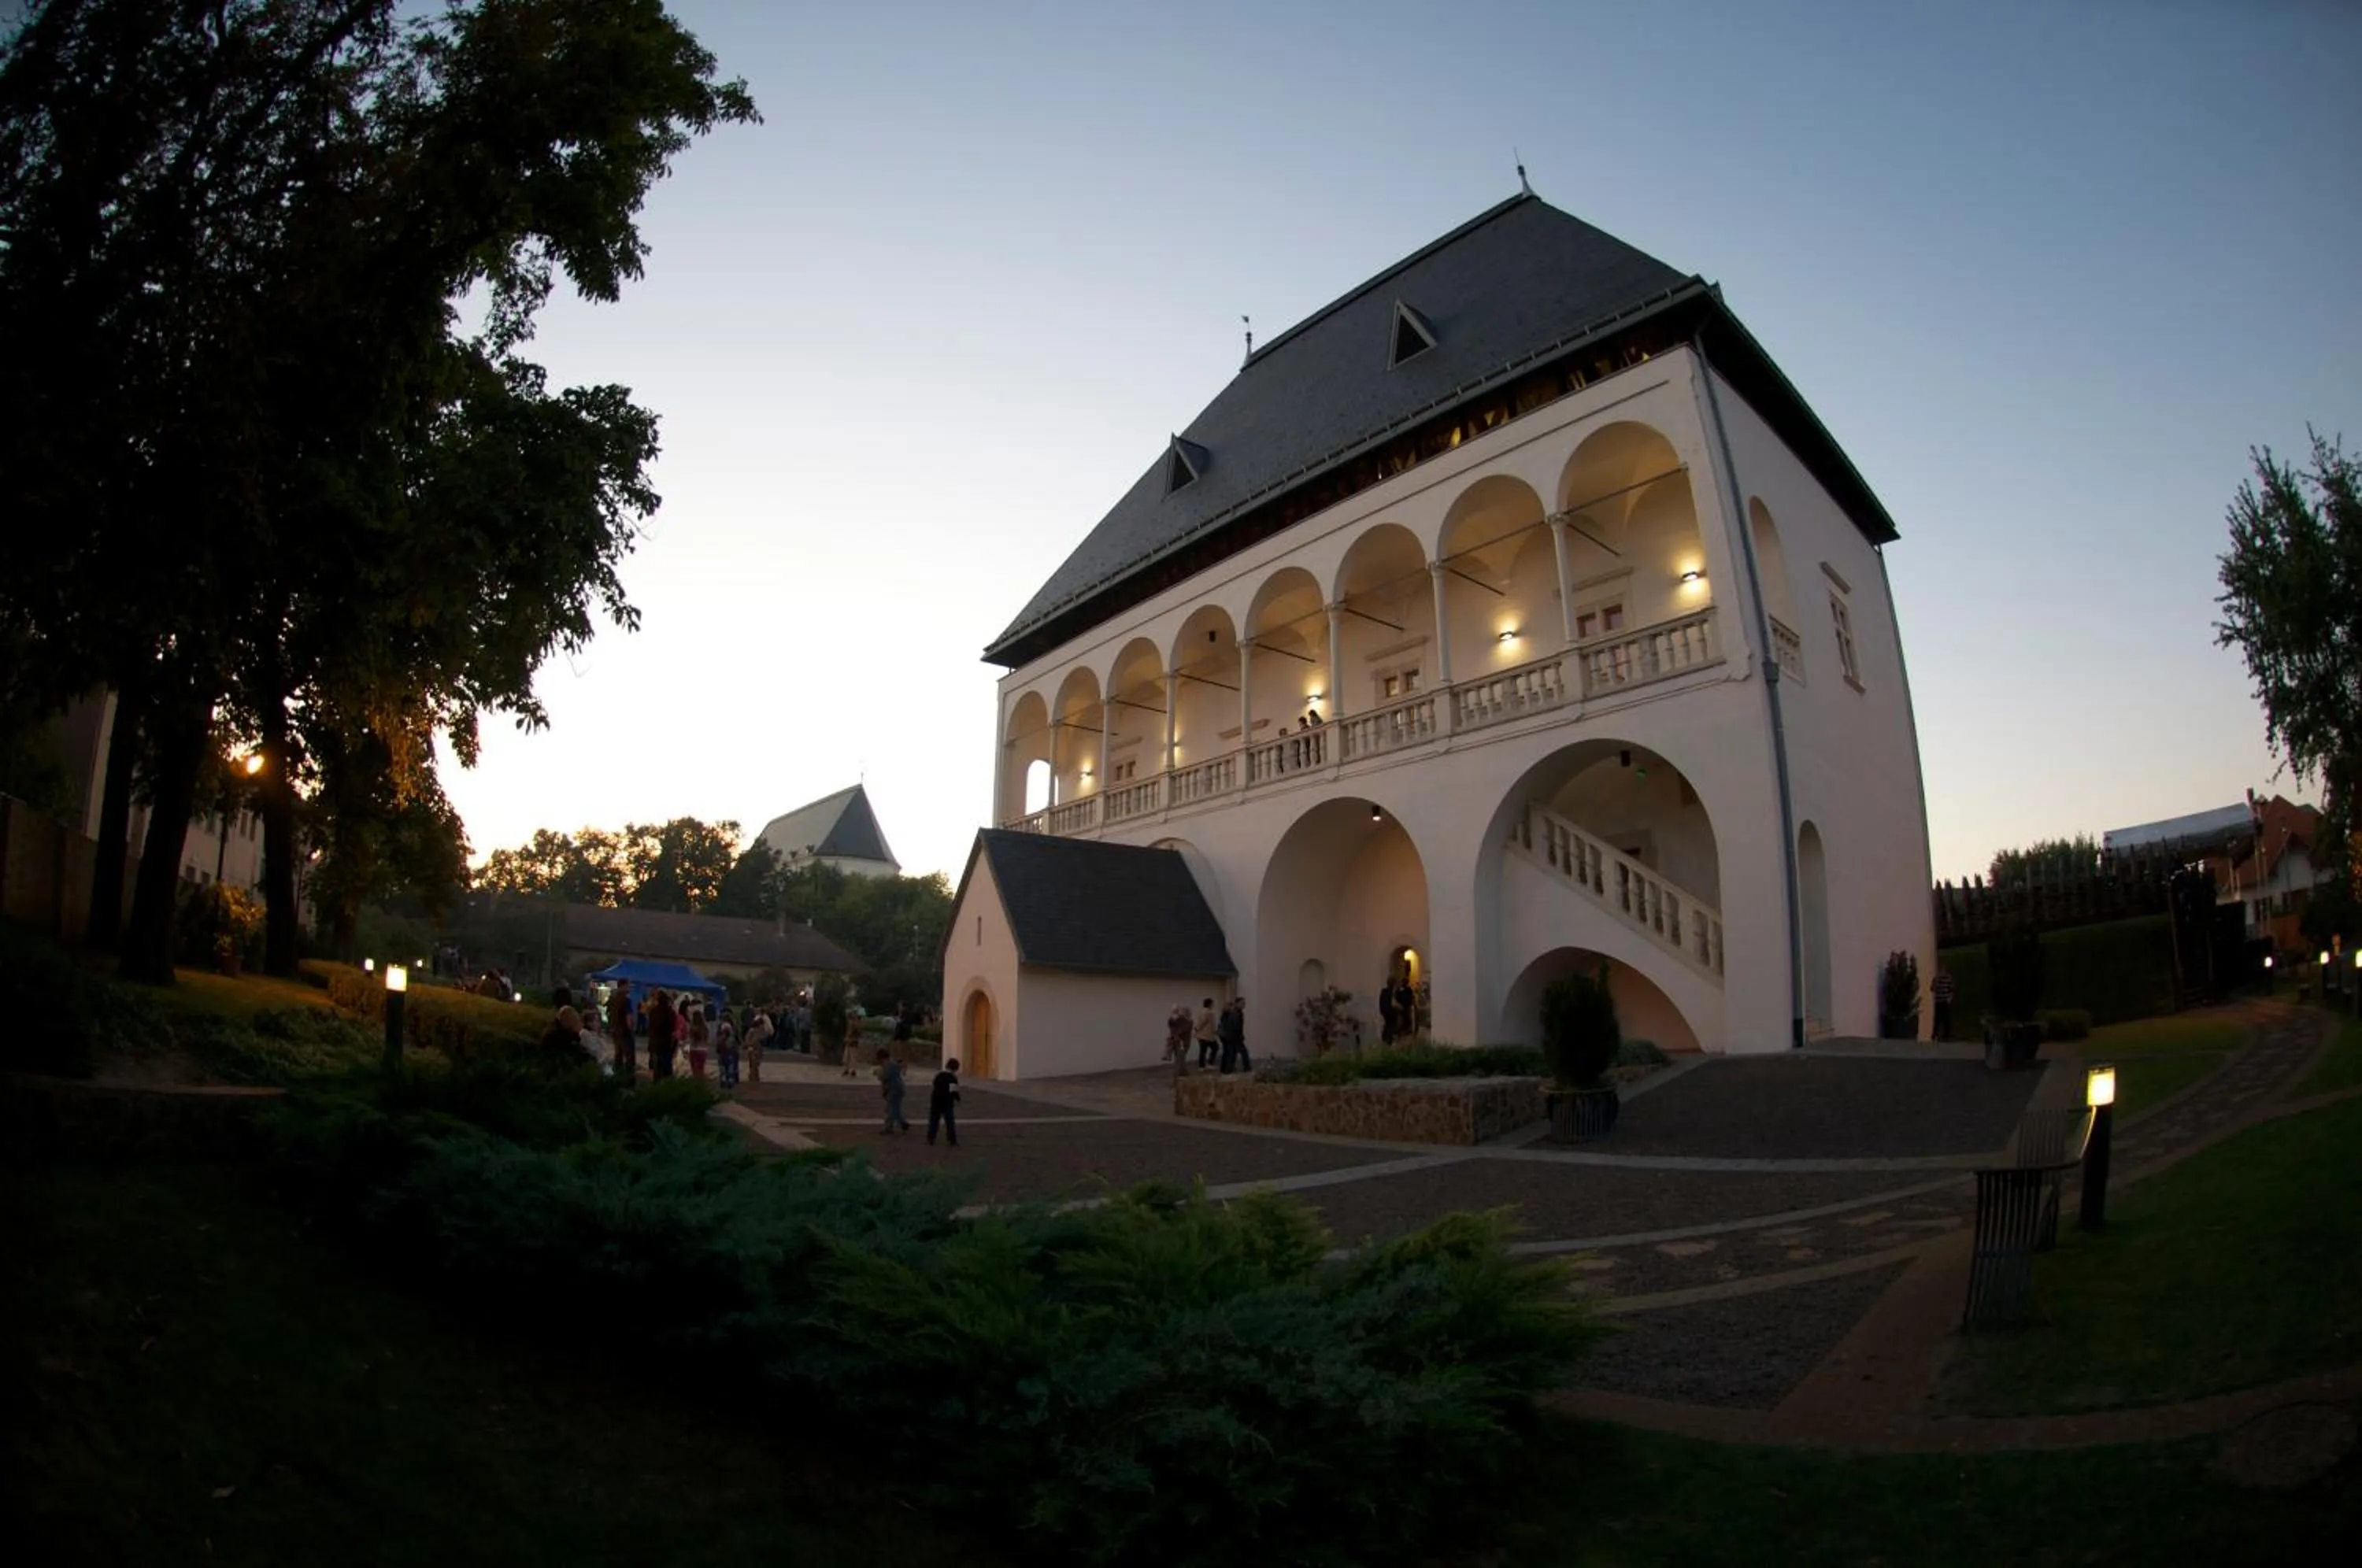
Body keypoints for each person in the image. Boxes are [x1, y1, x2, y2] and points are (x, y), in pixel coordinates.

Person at [605, 982, 637, 1082]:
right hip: (625, 1031)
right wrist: (631, 1028)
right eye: (628, 986)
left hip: (615, 1030)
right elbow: (628, 1016)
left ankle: (617, 1078)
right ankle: (629, 1081)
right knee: (629, 1057)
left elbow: (609, 1013)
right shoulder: (626, 1000)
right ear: (623, 986)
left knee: (618, 1055)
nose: (629, 988)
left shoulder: (612, 999)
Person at [927, 1057, 961, 1147]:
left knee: (934, 1120)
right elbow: (954, 1091)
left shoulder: (939, 1075)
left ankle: (931, 1138)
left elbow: (934, 1085)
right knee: (949, 1121)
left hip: (936, 1101)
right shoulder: (952, 1078)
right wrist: (958, 1099)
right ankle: (952, 1139)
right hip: (947, 1102)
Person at [876, 1047, 910, 1134]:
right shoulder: (893, 1064)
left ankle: (889, 1127)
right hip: (898, 1088)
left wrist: (880, 1076)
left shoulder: (887, 1066)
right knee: (895, 1108)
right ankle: (902, 1123)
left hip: (893, 1089)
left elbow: (885, 1078)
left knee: (891, 1109)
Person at [647, 989, 679, 1080]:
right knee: (667, 1067)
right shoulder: (670, 1012)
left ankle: (657, 1086)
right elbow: (673, 1028)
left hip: (655, 1042)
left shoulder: (653, 1011)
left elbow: (650, 1026)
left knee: (657, 1068)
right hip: (666, 1042)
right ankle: (667, 1087)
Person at [1218, 996, 1250, 1074]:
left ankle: (1228, 1070)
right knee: (1238, 1053)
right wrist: (1238, 1036)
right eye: (1242, 1003)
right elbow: (1235, 1026)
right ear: (1236, 1003)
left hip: (1233, 1037)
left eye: (1244, 1004)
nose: (1243, 1005)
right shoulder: (1234, 1013)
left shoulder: (1238, 1013)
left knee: (1231, 1053)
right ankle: (1244, 1068)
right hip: (1234, 1037)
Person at [744, 1007, 772, 1083]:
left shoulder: (760, 1031)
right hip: (753, 1048)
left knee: (756, 1063)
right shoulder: (753, 1031)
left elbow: (763, 1037)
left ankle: (755, 1076)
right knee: (754, 1063)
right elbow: (748, 1040)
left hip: (758, 1048)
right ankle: (753, 1076)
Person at [715, 1011, 741, 1090]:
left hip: (723, 1050)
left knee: (723, 1065)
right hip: (732, 1049)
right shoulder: (734, 1027)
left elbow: (718, 1038)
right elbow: (738, 1038)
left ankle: (723, 1080)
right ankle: (732, 1079)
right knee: (732, 1065)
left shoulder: (721, 1027)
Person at [1931, 964, 1957, 1041]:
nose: (1941, 972)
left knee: (1946, 1019)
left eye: (1942, 970)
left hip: (1945, 1001)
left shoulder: (1948, 978)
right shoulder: (1936, 979)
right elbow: (1932, 989)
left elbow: (1952, 989)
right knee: (1937, 1019)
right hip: (1938, 1001)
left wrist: (1950, 998)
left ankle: (1946, 1035)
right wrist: (1936, 981)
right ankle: (1935, 1034)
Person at [686, 1004, 711, 1080]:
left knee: (695, 1069)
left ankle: (696, 1083)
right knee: (701, 1068)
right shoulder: (705, 1028)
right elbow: (707, 1040)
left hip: (694, 1049)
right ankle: (701, 1083)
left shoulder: (692, 1028)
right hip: (703, 1050)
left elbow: (690, 1038)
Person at [1194, 997, 1219, 1069]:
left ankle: (1202, 1066)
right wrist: (1215, 1031)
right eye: (1212, 1004)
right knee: (1215, 1047)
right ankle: (1210, 1063)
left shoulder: (1201, 1011)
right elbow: (1205, 1022)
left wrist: (1197, 1029)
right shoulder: (1210, 1013)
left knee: (1203, 1051)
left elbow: (1199, 1022)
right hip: (1208, 1035)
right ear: (1209, 1004)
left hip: (1201, 1035)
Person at [1379, 977, 1399, 1045]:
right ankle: (1389, 1040)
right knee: (1391, 1026)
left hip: (1384, 1011)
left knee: (1387, 1024)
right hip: (1391, 1012)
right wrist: (1399, 1007)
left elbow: (1381, 1001)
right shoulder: (1392, 991)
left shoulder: (1384, 991)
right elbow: (1393, 1003)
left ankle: (1385, 1038)